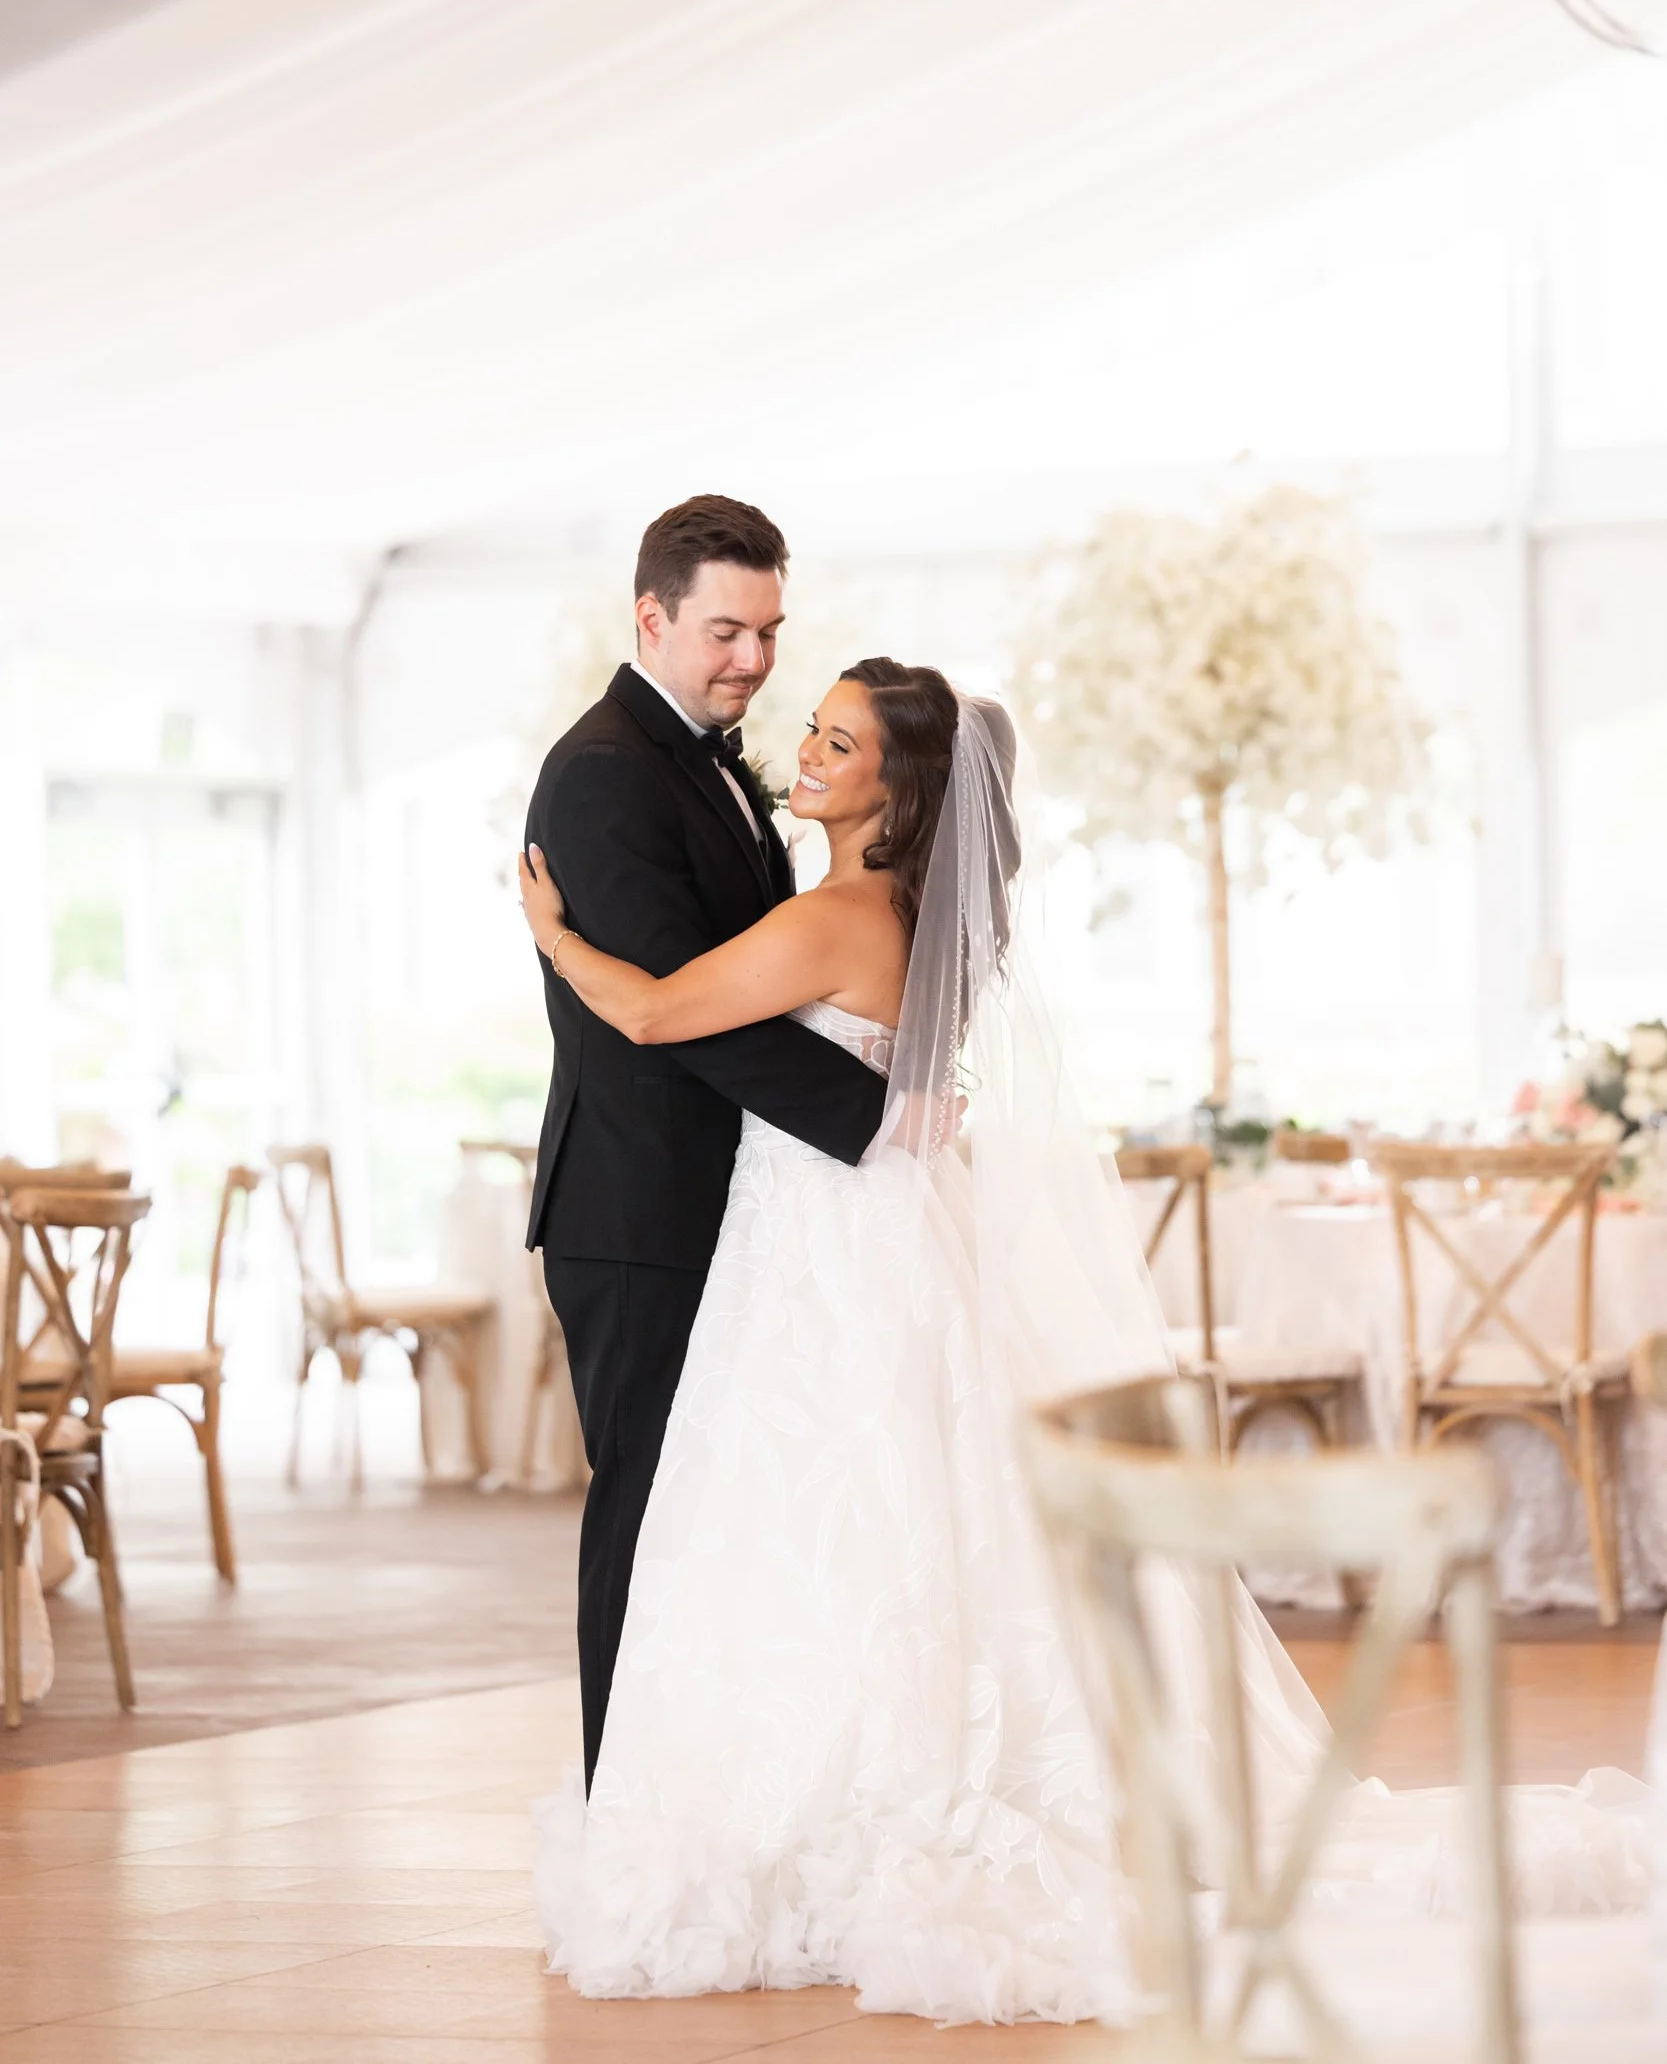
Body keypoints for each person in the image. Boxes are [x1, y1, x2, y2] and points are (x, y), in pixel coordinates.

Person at [519, 660, 1649, 2028]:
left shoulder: (832, 918)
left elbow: (647, 1014)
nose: (804, 755)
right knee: (906, 1509)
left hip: (826, 1247)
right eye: (811, 731)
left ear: (901, 784)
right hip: (869, 1231)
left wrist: (552, 932)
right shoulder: (904, 912)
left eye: (838, 742)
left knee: (841, 1511)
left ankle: (852, 1796)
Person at [523, 497, 887, 1788]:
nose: (751, 658)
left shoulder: (711, 759)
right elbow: (681, 1012)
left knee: (713, 1513)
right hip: (637, 1215)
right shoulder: (607, 770)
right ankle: (623, 1812)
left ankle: (702, 1794)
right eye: (725, 630)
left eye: (769, 631)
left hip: (723, 1203)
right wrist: (872, 1115)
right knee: (643, 1509)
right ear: (651, 617)